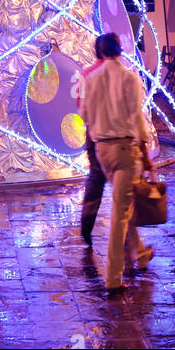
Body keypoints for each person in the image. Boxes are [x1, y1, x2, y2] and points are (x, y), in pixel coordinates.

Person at [80, 31, 155, 293]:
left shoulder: (90, 79)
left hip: (102, 149)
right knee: (120, 212)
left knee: (126, 200)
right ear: (120, 50)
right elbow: (137, 118)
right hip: (124, 149)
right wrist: (145, 154)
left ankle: (142, 251)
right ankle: (113, 278)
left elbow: (85, 114)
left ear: (100, 52)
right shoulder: (129, 78)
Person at [76, 35, 107, 247]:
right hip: (118, 138)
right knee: (126, 187)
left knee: (95, 180)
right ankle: (130, 238)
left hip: (94, 134)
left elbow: (81, 107)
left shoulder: (86, 74)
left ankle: (86, 225)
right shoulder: (123, 74)